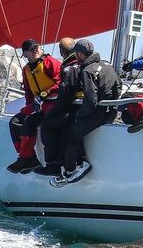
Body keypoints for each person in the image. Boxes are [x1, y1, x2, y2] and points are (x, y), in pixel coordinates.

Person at [56, 39, 121, 183]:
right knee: (76, 127)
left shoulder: (87, 71)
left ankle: (73, 168)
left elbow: (91, 101)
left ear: (79, 54)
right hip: (110, 111)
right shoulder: (106, 65)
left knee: (71, 132)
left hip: (100, 112)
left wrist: (79, 115)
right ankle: (79, 161)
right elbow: (119, 86)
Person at [7, 39, 62, 174]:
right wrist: (29, 107)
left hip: (53, 103)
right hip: (38, 105)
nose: (36, 50)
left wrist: (44, 94)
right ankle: (28, 157)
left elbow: (60, 82)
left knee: (30, 122)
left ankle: (26, 158)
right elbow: (28, 92)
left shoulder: (50, 62)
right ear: (25, 54)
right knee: (14, 122)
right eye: (32, 49)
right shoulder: (26, 70)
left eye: (37, 48)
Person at [32, 37, 81, 176]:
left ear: (61, 52)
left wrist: (53, 111)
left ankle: (53, 165)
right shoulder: (82, 64)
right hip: (83, 109)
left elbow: (64, 94)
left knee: (48, 124)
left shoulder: (68, 68)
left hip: (74, 110)